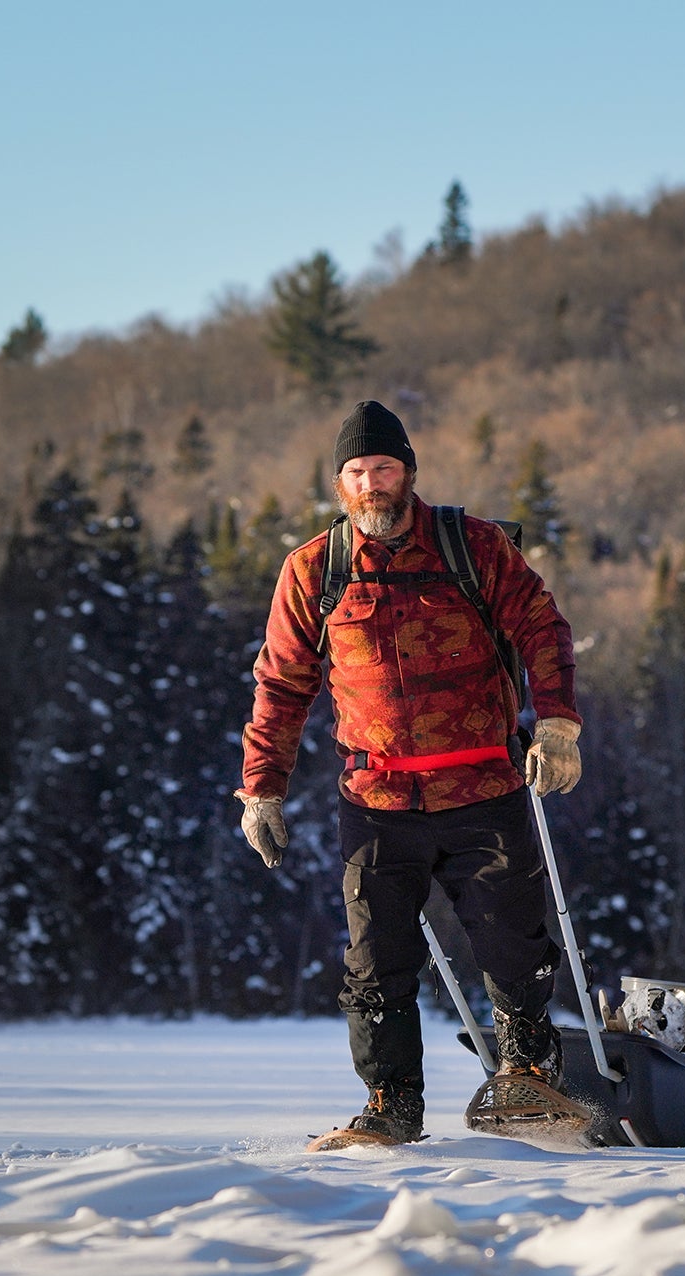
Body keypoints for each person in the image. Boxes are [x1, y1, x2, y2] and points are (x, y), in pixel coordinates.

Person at [236, 399, 583, 1147]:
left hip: (483, 785)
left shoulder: (475, 546)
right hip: (377, 796)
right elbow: (282, 684)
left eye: (384, 468)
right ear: (340, 483)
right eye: (357, 471)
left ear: (409, 472)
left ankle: (527, 1080)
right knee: (374, 960)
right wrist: (261, 789)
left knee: (512, 944)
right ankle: (392, 1106)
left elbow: (542, 627)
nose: (372, 484)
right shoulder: (312, 570)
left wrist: (556, 725)